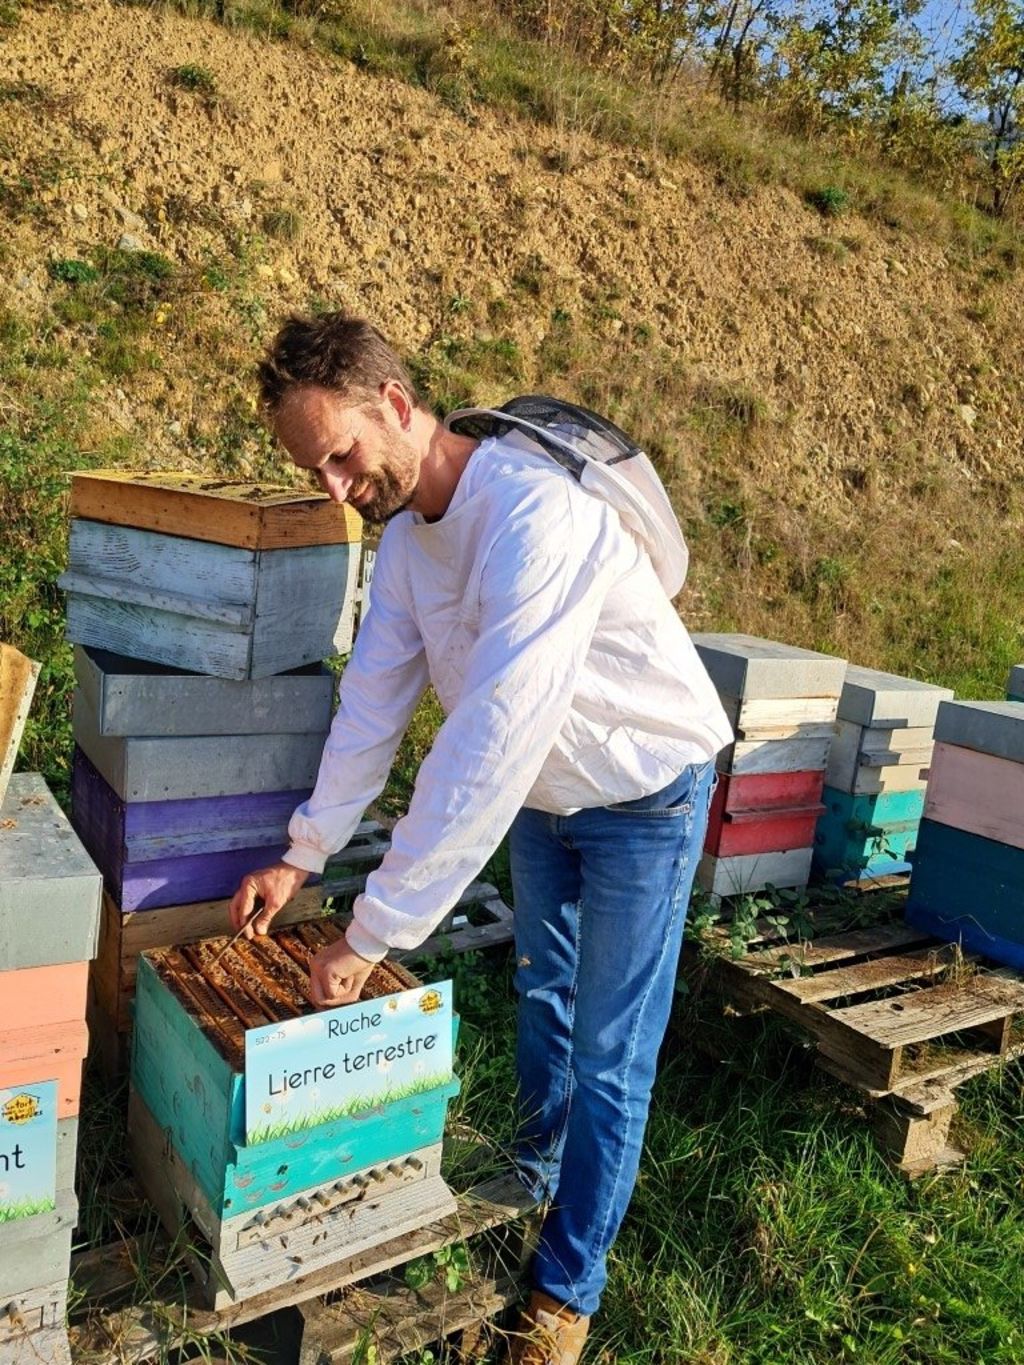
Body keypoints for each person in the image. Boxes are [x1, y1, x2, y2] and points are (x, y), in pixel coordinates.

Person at [229, 312, 732, 1364]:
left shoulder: (533, 516)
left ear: (398, 407)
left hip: (643, 792)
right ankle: (537, 1179)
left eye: (340, 455)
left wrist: (373, 931)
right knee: (542, 1002)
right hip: (552, 803)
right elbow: (373, 704)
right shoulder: (411, 545)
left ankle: (564, 1293)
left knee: (607, 1056)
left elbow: (490, 738)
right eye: (311, 468)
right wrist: (302, 854)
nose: (333, 487)